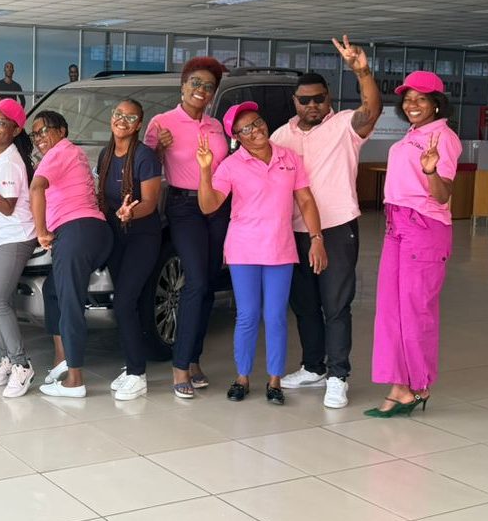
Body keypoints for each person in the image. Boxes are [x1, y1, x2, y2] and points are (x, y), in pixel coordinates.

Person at [271, 36, 383, 409]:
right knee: (304, 305)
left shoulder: (344, 126)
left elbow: (371, 111)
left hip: (336, 228)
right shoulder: (280, 136)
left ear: (328, 98)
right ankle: (313, 367)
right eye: (305, 100)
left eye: (319, 98)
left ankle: (338, 376)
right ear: (295, 102)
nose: (313, 105)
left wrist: (362, 72)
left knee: (335, 304)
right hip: (293, 231)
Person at [197, 102, 327, 405]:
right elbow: (208, 205)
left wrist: (316, 237)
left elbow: (306, 201)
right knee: (248, 315)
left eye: (257, 122)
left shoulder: (289, 157)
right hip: (243, 249)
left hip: (280, 248)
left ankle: (274, 380)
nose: (255, 130)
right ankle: (242, 377)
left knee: (276, 316)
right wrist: (204, 170)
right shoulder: (231, 165)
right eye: (246, 129)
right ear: (237, 137)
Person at [365, 71, 460, 418]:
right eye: (408, 99)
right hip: (397, 224)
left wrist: (432, 171)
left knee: (415, 310)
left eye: (421, 98)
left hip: (424, 226)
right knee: (391, 310)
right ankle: (399, 386)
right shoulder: (413, 134)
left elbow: (443, 195)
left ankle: (418, 384)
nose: (412, 104)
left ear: (437, 103)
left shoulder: (443, 137)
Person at [144, 57, 229, 399]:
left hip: (217, 205)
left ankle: (193, 359)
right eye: (196, 83)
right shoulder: (161, 122)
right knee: (195, 280)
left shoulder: (216, 126)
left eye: (208, 86)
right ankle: (180, 366)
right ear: (182, 86)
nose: (201, 90)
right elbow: (146, 167)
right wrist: (158, 148)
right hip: (184, 207)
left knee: (208, 283)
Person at [32, 110, 113, 398]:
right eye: (35, 133)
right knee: (53, 290)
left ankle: (75, 379)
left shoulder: (59, 152)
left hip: (76, 231)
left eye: (44, 130)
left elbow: (36, 188)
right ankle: (62, 358)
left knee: (70, 302)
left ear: (62, 131)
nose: (39, 138)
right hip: (92, 231)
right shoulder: (72, 153)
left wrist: (41, 231)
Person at [98, 100, 162, 401]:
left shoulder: (145, 156)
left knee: (124, 302)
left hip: (142, 237)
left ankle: (137, 374)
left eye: (130, 117)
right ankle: (132, 365)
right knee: (126, 303)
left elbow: (149, 202)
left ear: (139, 124)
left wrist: (129, 213)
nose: (122, 120)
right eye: (118, 115)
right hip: (116, 237)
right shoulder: (106, 153)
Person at [0, 98, 38, 398]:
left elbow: (7, 206)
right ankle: (7, 359)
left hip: (15, 236)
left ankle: (21, 364)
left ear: (15, 131)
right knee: (4, 301)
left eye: (1, 123)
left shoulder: (11, 161)